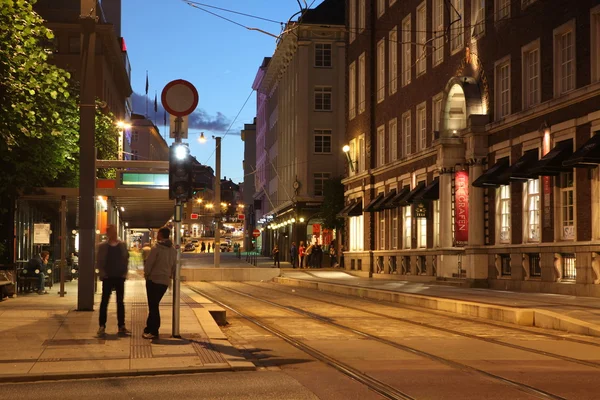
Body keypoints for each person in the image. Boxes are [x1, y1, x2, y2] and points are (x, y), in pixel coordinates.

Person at [143, 227, 177, 339]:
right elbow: (174, 266)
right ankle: (148, 328)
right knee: (154, 305)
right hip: (164, 281)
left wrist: (146, 274)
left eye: (158, 233)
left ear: (161, 235)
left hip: (153, 280)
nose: (157, 235)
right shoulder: (173, 250)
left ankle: (154, 331)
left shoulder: (156, 248)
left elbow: (149, 263)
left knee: (153, 306)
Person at [96, 225, 130, 336]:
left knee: (120, 302)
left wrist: (124, 273)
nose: (113, 233)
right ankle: (102, 325)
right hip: (108, 277)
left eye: (114, 231)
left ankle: (121, 325)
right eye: (111, 231)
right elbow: (99, 261)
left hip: (119, 277)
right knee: (104, 301)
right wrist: (102, 274)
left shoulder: (122, 245)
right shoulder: (102, 246)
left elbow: (126, 259)